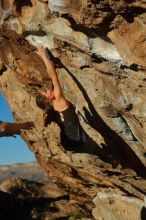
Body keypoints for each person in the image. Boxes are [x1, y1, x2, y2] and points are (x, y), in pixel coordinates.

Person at [36, 46, 88, 148]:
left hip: (67, 143)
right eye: (46, 93)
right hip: (76, 142)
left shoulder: (53, 109)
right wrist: (43, 56)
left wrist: (48, 59)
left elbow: (52, 75)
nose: (48, 90)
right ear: (49, 99)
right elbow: (54, 76)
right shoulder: (59, 101)